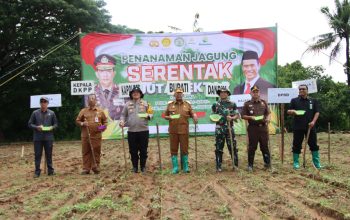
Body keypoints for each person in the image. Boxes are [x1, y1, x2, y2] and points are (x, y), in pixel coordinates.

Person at [119, 88, 154, 173]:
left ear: (140, 94)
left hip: (143, 131)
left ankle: (143, 167)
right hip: (132, 131)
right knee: (133, 150)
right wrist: (122, 121)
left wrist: (148, 116)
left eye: (137, 92)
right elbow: (123, 115)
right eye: (134, 93)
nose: (135, 94)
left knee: (143, 150)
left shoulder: (146, 104)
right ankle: (135, 167)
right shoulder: (127, 104)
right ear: (131, 94)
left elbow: (151, 114)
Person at [164, 88, 198, 174]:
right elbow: (165, 116)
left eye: (180, 93)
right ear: (174, 95)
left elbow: (192, 113)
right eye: (177, 93)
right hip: (173, 131)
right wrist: (169, 117)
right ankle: (175, 167)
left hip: (184, 131)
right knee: (173, 149)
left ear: (182, 95)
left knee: (184, 149)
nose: (179, 95)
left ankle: (185, 167)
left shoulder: (187, 105)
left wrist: (194, 116)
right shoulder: (170, 105)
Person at [287, 84, 321, 169]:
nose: (301, 90)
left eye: (303, 89)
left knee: (313, 144)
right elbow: (288, 111)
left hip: (310, 127)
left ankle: (316, 163)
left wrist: (313, 122)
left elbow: (317, 112)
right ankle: (296, 163)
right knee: (297, 144)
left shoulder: (313, 101)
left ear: (307, 90)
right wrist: (292, 111)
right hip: (298, 127)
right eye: (300, 89)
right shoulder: (294, 100)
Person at [86, 54, 125, 120]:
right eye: (101, 71)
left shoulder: (123, 91)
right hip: (97, 128)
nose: (105, 75)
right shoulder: (89, 93)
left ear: (114, 73)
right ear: (97, 74)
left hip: (118, 128)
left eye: (109, 71)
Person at [242, 85, 271, 172]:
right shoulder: (247, 104)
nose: (255, 93)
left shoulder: (264, 102)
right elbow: (243, 116)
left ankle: (267, 164)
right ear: (251, 93)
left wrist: (268, 119)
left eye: (257, 91)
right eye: (253, 92)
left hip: (263, 128)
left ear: (259, 93)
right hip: (252, 128)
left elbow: (268, 113)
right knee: (252, 147)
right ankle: (250, 165)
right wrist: (251, 117)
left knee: (264, 146)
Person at [76, 94, 107, 174]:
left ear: (96, 100)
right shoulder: (83, 111)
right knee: (86, 151)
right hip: (85, 135)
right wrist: (83, 123)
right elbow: (78, 120)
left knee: (96, 151)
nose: (91, 100)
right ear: (87, 101)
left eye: (93, 98)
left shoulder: (100, 111)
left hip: (96, 135)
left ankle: (95, 166)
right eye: (90, 99)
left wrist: (101, 128)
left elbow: (105, 122)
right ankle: (86, 168)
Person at [28, 96, 58, 178]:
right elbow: (30, 124)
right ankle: (37, 172)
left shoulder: (52, 113)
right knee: (38, 155)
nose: (43, 103)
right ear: (40, 103)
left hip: (48, 137)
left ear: (47, 103)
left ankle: (50, 171)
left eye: (45, 102)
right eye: (42, 102)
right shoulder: (35, 113)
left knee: (49, 154)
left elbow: (56, 124)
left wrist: (52, 127)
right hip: (38, 137)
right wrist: (36, 127)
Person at [211, 88, 239, 172]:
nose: (223, 94)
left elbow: (237, 115)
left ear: (228, 94)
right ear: (219, 94)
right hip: (219, 128)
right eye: (221, 93)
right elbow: (213, 115)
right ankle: (218, 166)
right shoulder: (215, 104)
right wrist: (214, 118)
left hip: (229, 128)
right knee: (219, 147)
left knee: (232, 146)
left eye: (225, 93)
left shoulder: (232, 104)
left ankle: (235, 165)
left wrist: (232, 118)